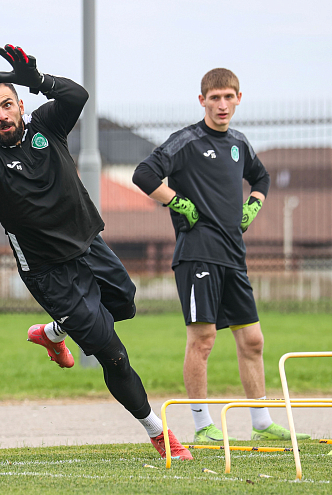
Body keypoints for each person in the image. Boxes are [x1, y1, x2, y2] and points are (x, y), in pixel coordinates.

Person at [0, 43, 193, 460]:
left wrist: (38, 80)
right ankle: (158, 433)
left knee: (124, 304)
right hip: (49, 273)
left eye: (7, 105)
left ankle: (52, 334)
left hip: (90, 245)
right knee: (113, 355)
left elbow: (76, 96)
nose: (2, 115)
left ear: (20, 105)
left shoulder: (46, 126)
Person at [132, 68, 310, 443]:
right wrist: (178, 202)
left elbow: (261, 178)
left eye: (229, 96)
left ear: (239, 99)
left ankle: (262, 423)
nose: (222, 104)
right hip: (197, 255)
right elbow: (144, 174)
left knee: (254, 340)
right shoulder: (186, 141)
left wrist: (253, 206)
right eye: (215, 98)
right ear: (202, 101)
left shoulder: (239, 143)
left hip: (233, 255)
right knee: (204, 339)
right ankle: (202, 426)